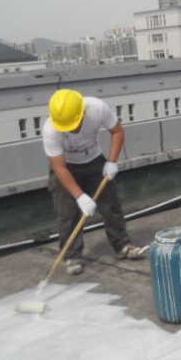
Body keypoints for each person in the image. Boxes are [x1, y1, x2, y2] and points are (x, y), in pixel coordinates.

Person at [43, 89, 143, 275]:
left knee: (110, 205)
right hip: (66, 167)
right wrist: (80, 197)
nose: (71, 130)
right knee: (68, 214)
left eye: (73, 125)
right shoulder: (51, 130)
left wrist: (111, 162)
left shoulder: (97, 108)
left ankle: (122, 245)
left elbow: (117, 131)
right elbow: (60, 168)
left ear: (82, 113)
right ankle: (72, 256)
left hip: (94, 160)